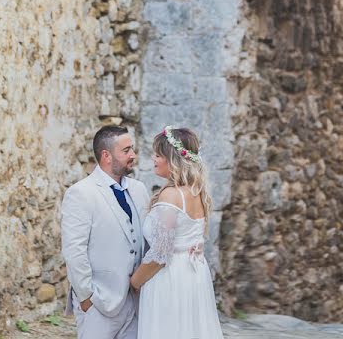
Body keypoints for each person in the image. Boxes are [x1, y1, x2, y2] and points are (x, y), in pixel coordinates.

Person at [129, 126, 224, 339]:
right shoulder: (196, 192)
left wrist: (135, 282)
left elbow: (161, 255)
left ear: (172, 159)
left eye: (158, 154)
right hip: (193, 274)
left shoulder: (171, 196)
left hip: (169, 278)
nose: (153, 158)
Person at [60, 125, 151, 339]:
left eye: (132, 149)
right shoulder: (81, 193)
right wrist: (86, 297)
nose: (133, 155)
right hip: (99, 303)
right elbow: (74, 250)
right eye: (126, 150)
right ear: (106, 155)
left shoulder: (139, 190)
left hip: (135, 302)